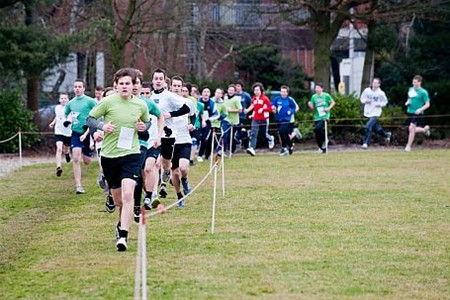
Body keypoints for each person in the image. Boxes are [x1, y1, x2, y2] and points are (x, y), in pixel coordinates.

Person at [87, 67, 155, 251]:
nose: (125, 87)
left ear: (133, 86)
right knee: (118, 201)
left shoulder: (140, 105)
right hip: (110, 156)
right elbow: (90, 118)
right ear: (116, 86)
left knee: (128, 195)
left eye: (128, 83)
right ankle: (120, 224)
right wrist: (102, 126)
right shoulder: (108, 101)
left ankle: (123, 236)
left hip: (131, 154)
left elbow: (147, 122)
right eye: (121, 84)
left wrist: (144, 127)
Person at [148, 69, 194, 199]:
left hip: (168, 135)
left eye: (160, 79)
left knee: (166, 164)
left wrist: (171, 114)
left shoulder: (169, 96)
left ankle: (167, 171)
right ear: (152, 81)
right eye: (155, 78)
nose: (158, 81)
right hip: (154, 135)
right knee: (155, 163)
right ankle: (153, 194)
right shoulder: (149, 96)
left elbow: (188, 107)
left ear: (164, 81)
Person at [64, 79, 97, 194]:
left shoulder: (90, 101)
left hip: (87, 132)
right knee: (76, 158)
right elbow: (66, 114)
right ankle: (78, 186)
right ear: (74, 89)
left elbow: (96, 115)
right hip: (76, 133)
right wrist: (67, 120)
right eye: (75, 87)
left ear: (83, 88)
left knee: (87, 161)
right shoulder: (71, 103)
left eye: (79, 87)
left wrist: (88, 133)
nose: (77, 89)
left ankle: (86, 152)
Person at [169, 76, 196, 207]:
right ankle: (179, 196)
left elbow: (193, 116)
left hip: (184, 139)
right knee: (174, 172)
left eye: (179, 86)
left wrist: (192, 125)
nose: (177, 88)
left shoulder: (187, 103)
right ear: (170, 87)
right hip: (170, 141)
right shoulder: (166, 104)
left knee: (183, 168)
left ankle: (185, 180)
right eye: (174, 86)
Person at [360, 78, 391, 149]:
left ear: (379, 84)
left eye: (376, 83)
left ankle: (365, 143)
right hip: (368, 111)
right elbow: (362, 99)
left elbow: (385, 102)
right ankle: (386, 135)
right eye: (374, 82)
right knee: (376, 128)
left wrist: (380, 104)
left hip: (376, 112)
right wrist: (366, 101)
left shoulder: (381, 93)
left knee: (368, 127)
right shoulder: (366, 91)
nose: (374, 84)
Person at [245, 82, 274, 156]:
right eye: (255, 90)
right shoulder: (254, 99)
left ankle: (270, 138)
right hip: (256, 119)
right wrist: (248, 112)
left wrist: (263, 109)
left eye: (258, 90)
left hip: (264, 119)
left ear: (261, 90)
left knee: (264, 134)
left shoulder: (265, 99)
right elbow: (253, 106)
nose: (256, 92)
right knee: (253, 133)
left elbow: (270, 109)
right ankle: (252, 148)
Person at [404, 75, 431, 152]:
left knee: (412, 128)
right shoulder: (410, 89)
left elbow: (427, 104)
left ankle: (408, 146)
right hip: (410, 111)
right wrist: (407, 102)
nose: (414, 84)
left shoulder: (423, 92)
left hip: (418, 113)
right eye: (413, 82)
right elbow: (409, 99)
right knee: (410, 129)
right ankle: (424, 130)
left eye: (415, 82)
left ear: (419, 82)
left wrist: (420, 109)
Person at [308, 83, 335, 153]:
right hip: (317, 116)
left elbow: (333, 103)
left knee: (317, 128)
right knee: (316, 132)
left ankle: (325, 139)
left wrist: (328, 108)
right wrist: (310, 105)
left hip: (325, 116)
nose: (316, 89)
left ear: (322, 89)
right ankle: (322, 147)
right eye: (315, 88)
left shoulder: (326, 95)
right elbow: (312, 107)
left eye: (318, 88)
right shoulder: (314, 97)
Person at [49, 92, 72, 176]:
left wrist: (69, 122)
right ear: (59, 100)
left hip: (68, 132)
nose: (63, 100)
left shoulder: (70, 108)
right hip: (58, 131)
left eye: (65, 98)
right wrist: (52, 123)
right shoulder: (57, 108)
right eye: (62, 98)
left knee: (66, 148)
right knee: (59, 148)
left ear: (68, 100)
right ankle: (58, 167)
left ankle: (67, 154)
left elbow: (72, 118)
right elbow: (57, 117)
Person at [271, 85, 297, 156]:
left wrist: (290, 112)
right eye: (282, 92)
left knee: (281, 132)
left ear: (287, 93)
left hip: (286, 119)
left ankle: (284, 147)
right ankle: (290, 145)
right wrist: (273, 107)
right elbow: (272, 104)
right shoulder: (277, 99)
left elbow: (294, 108)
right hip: (278, 118)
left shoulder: (289, 100)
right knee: (284, 134)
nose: (283, 93)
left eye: (284, 92)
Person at [222, 84, 242, 154]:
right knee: (225, 135)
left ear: (235, 92)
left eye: (232, 90)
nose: (230, 91)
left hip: (234, 121)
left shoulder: (236, 99)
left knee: (232, 137)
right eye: (229, 90)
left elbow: (240, 110)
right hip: (226, 119)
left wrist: (231, 110)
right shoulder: (225, 98)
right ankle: (223, 150)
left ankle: (231, 150)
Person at [234, 81, 252, 149]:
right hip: (234, 116)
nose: (237, 87)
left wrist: (247, 110)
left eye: (239, 86)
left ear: (241, 87)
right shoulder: (233, 95)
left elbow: (252, 104)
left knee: (241, 131)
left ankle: (246, 145)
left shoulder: (246, 95)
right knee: (235, 131)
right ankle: (237, 143)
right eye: (236, 86)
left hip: (242, 117)